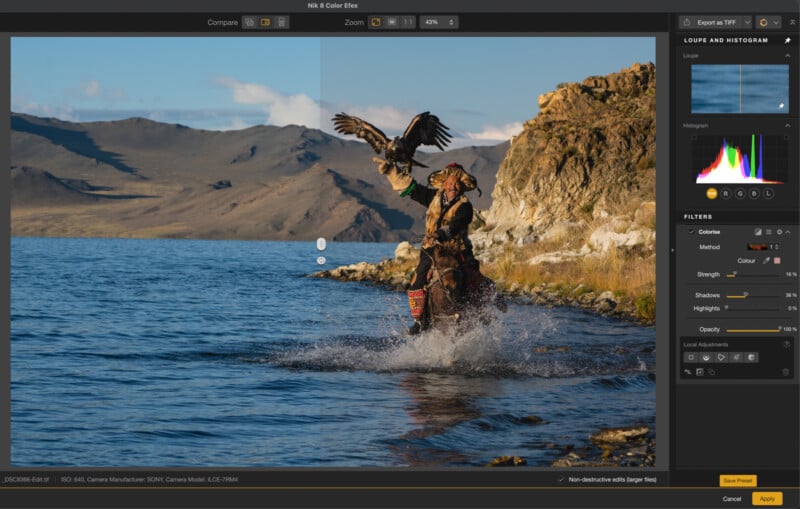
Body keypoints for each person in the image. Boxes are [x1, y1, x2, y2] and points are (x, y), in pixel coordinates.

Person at [374, 157, 479, 334]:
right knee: (417, 282)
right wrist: (392, 171)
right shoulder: (433, 197)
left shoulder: (465, 206)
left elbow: (456, 225)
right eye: (450, 182)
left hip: (456, 249)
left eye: (457, 183)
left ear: (462, 185)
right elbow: (411, 189)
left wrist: (438, 234)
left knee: (470, 279)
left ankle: (472, 314)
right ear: (444, 183)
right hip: (430, 250)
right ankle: (420, 321)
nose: (453, 186)